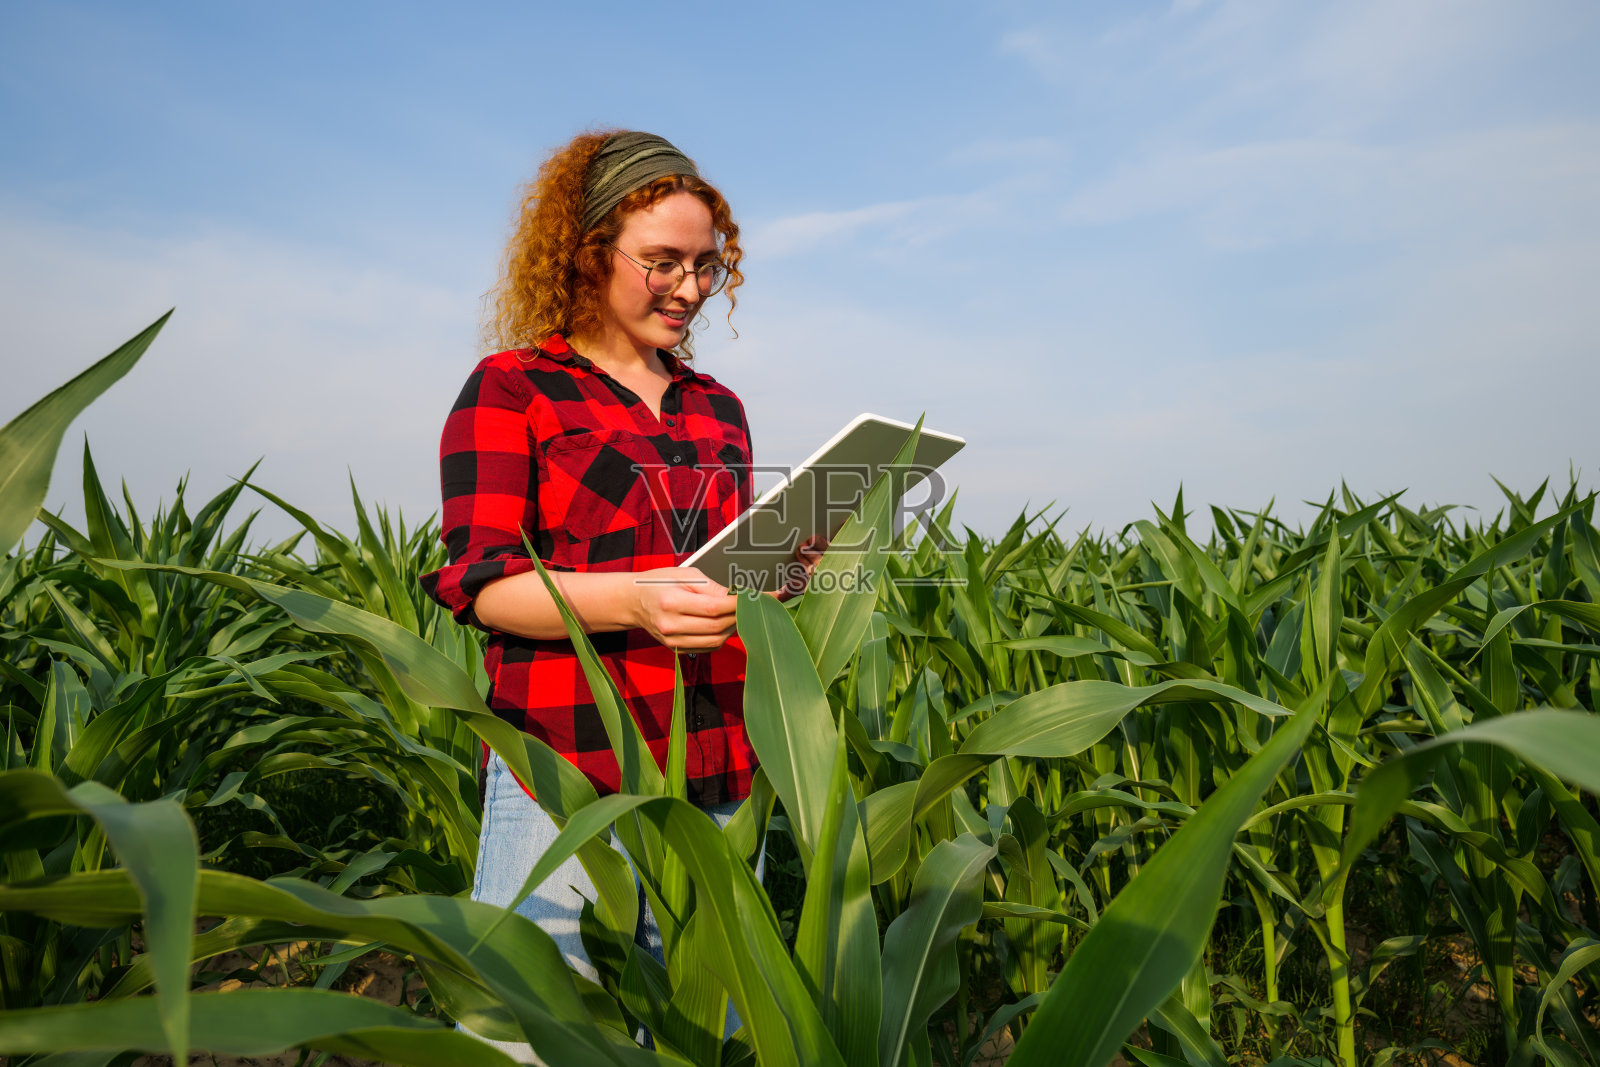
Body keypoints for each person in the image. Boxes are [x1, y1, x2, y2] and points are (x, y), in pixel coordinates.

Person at [420, 130, 798, 1058]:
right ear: (588, 254)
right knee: (535, 1037)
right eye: (662, 262)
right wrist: (634, 601)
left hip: (717, 772)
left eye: (707, 265)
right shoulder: (514, 389)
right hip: (567, 776)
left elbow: (718, 574)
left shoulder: (719, 409)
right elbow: (485, 584)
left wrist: (780, 572)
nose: (690, 288)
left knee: (710, 1038)